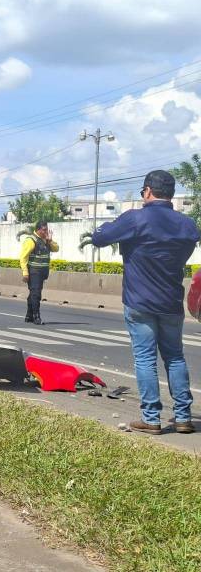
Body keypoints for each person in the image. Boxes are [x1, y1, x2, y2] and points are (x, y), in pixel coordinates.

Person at [92, 170, 199, 434]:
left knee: (145, 359)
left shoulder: (135, 219)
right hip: (171, 301)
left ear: (148, 191)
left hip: (139, 302)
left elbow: (99, 238)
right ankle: (183, 416)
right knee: (175, 357)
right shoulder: (188, 224)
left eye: (143, 192)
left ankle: (151, 418)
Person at [19, 220, 59, 325]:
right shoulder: (31, 240)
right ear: (38, 229)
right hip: (34, 272)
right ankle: (36, 317)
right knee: (36, 294)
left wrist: (50, 241)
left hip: (42, 273)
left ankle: (29, 315)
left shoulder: (46, 240)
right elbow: (23, 258)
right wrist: (25, 273)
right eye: (44, 230)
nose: (46, 232)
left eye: (47, 230)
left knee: (33, 294)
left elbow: (56, 249)